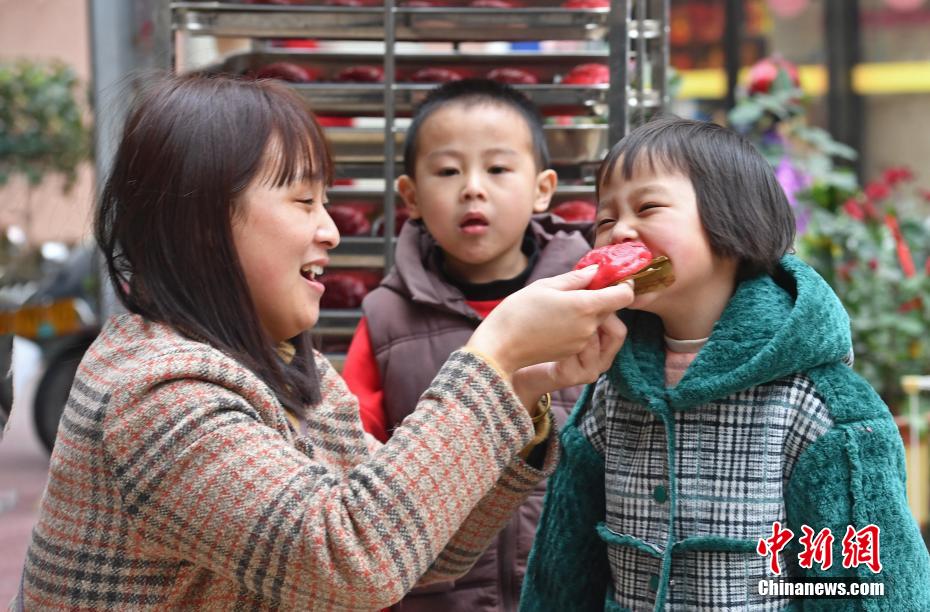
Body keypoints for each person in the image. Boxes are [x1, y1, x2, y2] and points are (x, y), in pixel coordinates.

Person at [12, 74, 636, 611]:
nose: (331, 231)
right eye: (304, 200)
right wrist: (491, 354)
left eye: (327, 202)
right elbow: (351, 561)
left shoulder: (278, 363)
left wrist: (519, 390)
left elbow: (420, 548)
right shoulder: (156, 391)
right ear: (203, 225)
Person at [521, 116, 930, 611]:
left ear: (731, 224)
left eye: (648, 207)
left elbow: (868, 586)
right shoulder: (612, 389)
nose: (619, 231)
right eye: (605, 220)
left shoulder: (817, 406)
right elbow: (563, 564)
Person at [341, 79, 592, 611]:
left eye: (498, 169)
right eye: (448, 171)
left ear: (543, 188)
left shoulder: (587, 305)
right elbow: (353, 464)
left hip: (571, 588)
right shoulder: (385, 318)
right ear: (410, 196)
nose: (473, 188)